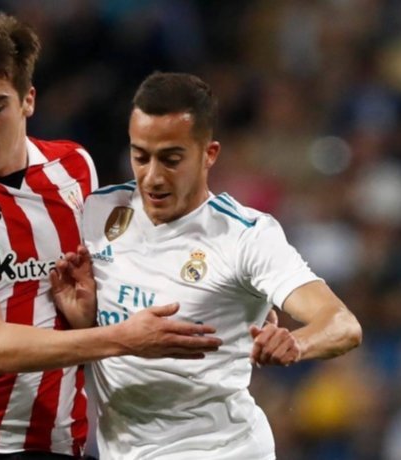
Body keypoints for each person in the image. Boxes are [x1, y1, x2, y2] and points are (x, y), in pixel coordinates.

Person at [0, 14, 222, 460]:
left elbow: (129, 268)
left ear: (27, 100)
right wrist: (124, 337)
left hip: (60, 440)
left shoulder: (73, 168)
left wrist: (236, 299)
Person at [50, 72, 363, 459]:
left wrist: (296, 343)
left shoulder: (245, 236)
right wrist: (86, 319)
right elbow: (118, 340)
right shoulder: (99, 213)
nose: (152, 175)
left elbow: (343, 324)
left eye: (171, 158)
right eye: (140, 156)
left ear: (209, 154)